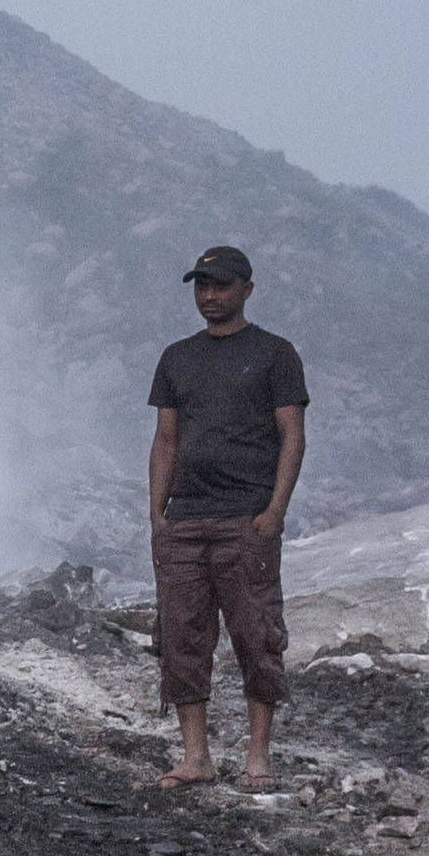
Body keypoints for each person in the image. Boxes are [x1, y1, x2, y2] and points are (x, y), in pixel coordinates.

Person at [145, 242, 309, 791]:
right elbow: (166, 438)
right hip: (185, 520)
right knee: (181, 638)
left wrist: (275, 511)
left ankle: (257, 757)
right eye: (201, 286)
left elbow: (292, 434)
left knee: (257, 636)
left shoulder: (274, 353)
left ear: (247, 289)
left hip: (246, 518)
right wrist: (157, 514)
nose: (209, 296)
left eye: (219, 286)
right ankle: (196, 758)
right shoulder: (176, 357)